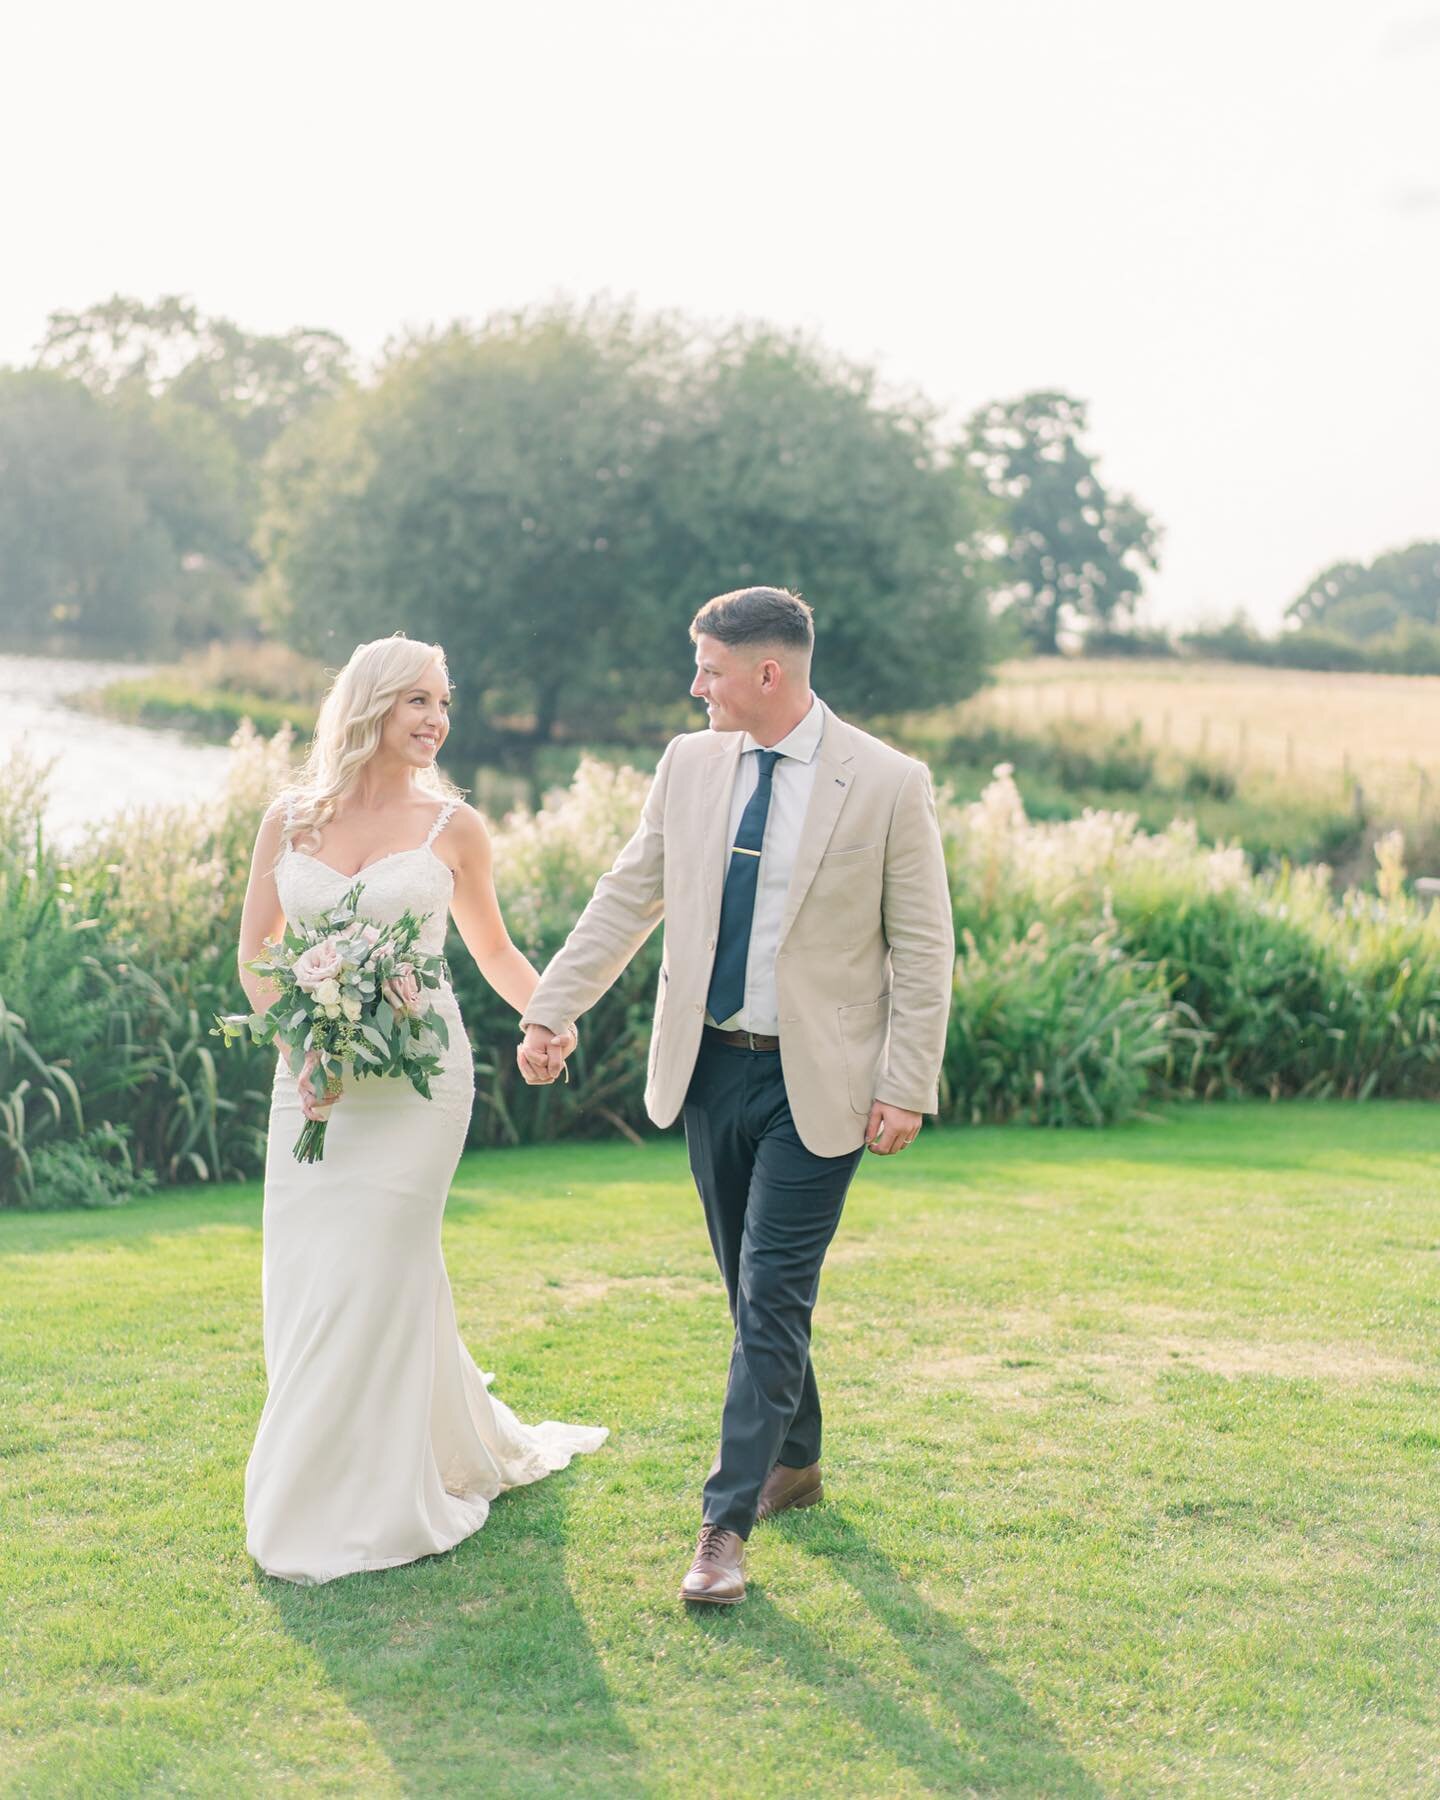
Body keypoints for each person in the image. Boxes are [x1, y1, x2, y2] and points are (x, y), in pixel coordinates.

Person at [518, 587, 953, 1605]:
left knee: (770, 1295)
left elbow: (924, 949)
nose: (694, 685)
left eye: (709, 668)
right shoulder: (688, 763)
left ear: (770, 673)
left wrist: (906, 1084)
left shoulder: (888, 782)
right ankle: (794, 1461)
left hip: (826, 1083)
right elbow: (631, 891)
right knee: (748, 1290)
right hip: (711, 1066)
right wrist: (552, 1008)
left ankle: (723, 1527)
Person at [236, 633, 605, 1585]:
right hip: (313, 1084)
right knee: (315, 1272)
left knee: (380, 1266)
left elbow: (493, 952)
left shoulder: (455, 828)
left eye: (444, 702)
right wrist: (301, 1048)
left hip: (418, 1084)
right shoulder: (290, 820)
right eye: (419, 703)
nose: (438, 720)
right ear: (370, 706)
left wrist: (549, 1017)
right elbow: (255, 953)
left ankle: (357, 1495)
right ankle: (364, 1459)